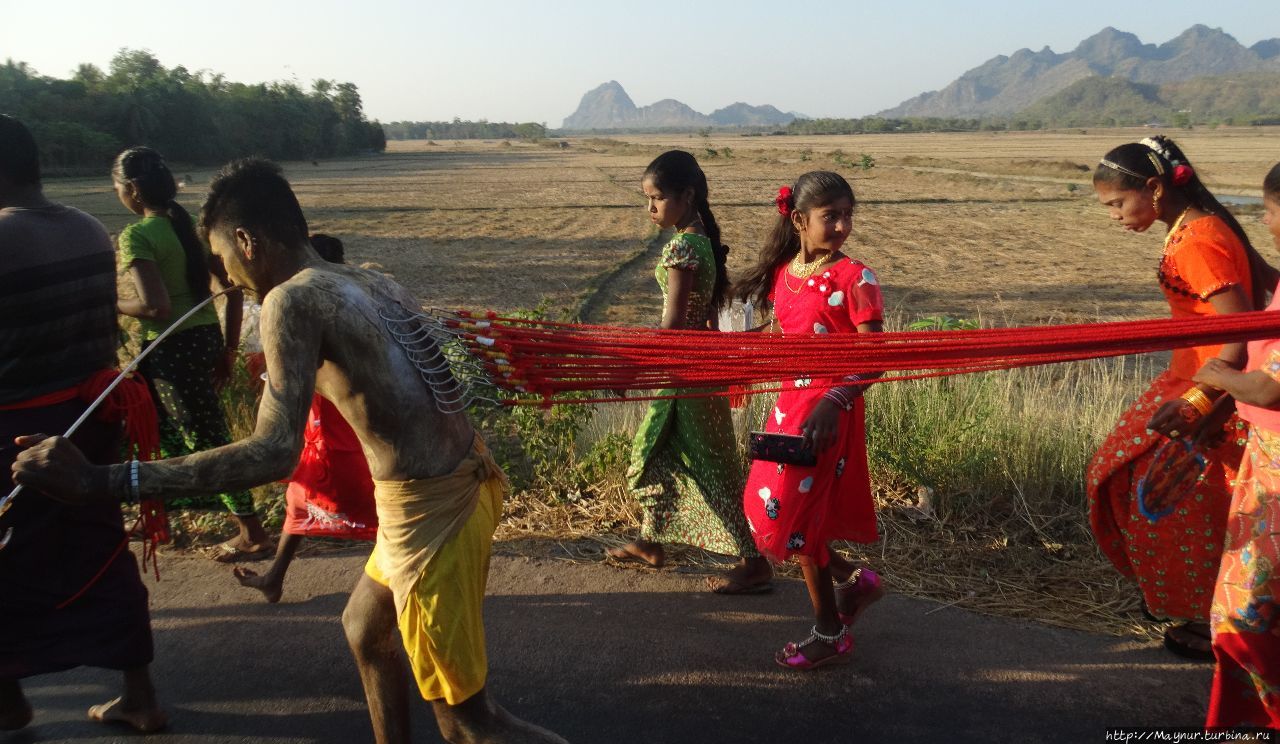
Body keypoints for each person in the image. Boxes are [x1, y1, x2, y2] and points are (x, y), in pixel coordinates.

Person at [13, 158, 565, 744]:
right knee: (364, 628)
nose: (227, 281)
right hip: (462, 483)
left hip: (431, 514)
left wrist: (103, 482)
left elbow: (273, 453)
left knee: (470, 723)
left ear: (246, 241)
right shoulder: (370, 279)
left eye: (223, 260)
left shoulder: (290, 300)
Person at [0, 115, 165, 733]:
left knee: (10, 559)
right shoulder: (90, 228)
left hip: (16, 432)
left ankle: (9, 700)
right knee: (101, 547)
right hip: (92, 420)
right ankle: (140, 694)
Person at [1087, 135, 1276, 661]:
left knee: (1166, 501)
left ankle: (1203, 618)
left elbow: (1237, 333)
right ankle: (1193, 606)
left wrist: (1202, 404)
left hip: (1209, 388)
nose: (1114, 216)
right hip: (1194, 380)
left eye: (1117, 204)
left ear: (1152, 188)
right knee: (1146, 487)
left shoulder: (1197, 239)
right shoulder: (1199, 227)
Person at [732, 171, 887, 669]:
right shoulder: (784, 273)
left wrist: (834, 399)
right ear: (799, 220)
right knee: (768, 511)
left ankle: (830, 631)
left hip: (828, 414)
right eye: (830, 216)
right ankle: (853, 582)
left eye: (848, 216)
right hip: (788, 408)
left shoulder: (856, 277)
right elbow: (789, 334)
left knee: (797, 524)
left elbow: (873, 357)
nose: (842, 226)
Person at [606, 150, 772, 593]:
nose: (651, 208)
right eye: (648, 199)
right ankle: (649, 541)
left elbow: (674, 326)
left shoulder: (683, 247)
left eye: (657, 198)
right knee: (671, 454)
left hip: (683, 373)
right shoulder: (702, 242)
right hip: (697, 369)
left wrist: (633, 362)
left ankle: (754, 562)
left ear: (687, 196)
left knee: (687, 461)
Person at [111, 146, 271, 561]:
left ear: (131, 190)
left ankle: (252, 531)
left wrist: (112, 302)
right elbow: (232, 293)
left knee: (204, 438)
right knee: (163, 435)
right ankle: (157, 518)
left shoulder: (138, 236)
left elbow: (155, 308)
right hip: (202, 342)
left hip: (169, 350)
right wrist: (227, 349)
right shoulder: (189, 230)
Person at [234, 234, 379, 604]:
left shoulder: (312, 305)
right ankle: (275, 577)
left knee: (370, 504)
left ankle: (396, 581)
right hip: (330, 423)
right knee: (301, 498)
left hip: (340, 420)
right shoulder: (353, 298)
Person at [1189, 161, 1280, 729]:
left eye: (1273, 215)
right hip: (1264, 461)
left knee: (1246, 613)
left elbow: (1271, 388)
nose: (1270, 227)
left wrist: (1213, 378)